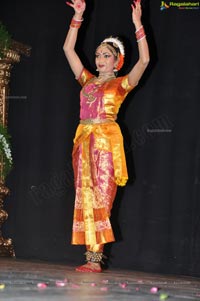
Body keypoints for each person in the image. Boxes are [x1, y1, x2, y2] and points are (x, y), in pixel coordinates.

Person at [63, 0, 150, 273]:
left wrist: (138, 25)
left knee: (102, 197)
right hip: (84, 143)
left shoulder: (121, 84)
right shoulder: (87, 80)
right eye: (98, 54)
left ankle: (95, 260)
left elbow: (145, 60)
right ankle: (91, 258)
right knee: (84, 197)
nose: (100, 59)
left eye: (106, 55)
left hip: (106, 145)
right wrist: (77, 17)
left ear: (117, 61)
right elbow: (68, 48)